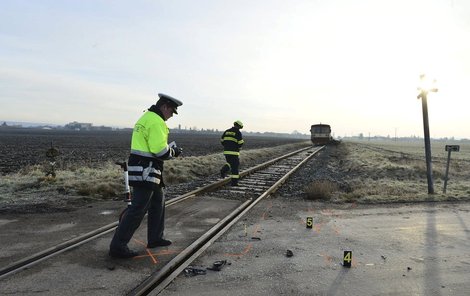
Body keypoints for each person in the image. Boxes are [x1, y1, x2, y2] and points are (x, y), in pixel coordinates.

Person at [109, 93, 183, 258]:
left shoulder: (146, 117)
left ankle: (155, 238)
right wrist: (174, 152)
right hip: (146, 170)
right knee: (137, 209)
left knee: (158, 202)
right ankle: (118, 246)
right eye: (171, 111)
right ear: (164, 107)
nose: (171, 115)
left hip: (145, 169)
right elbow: (160, 150)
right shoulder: (157, 122)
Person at [220, 120, 244, 186]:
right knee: (235, 167)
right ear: (239, 126)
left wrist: (227, 146)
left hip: (226, 152)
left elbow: (222, 141)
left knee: (230, 163)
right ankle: (234, 183)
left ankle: (224, 170)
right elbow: (241, 143)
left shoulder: (226, 131)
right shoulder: (238, 132)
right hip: (234, 152)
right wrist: (238, 147)